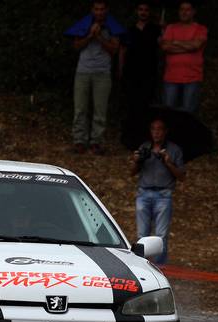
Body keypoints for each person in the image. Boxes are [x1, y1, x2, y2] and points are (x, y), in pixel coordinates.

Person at [67, 0, 123, 155]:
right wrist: (90, 35)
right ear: (92, 10)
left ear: (106, 10)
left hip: (102, 73)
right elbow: (76, 46)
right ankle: (79, 141)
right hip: (83, 72)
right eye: (96, 9)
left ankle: (96, 142)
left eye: (102, 9)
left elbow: (114, 49)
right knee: (80, 109)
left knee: (100, 110)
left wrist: (99, 37)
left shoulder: (112, 26)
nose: (99, 12)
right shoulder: (84, 25)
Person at [129, 119, 186, 265]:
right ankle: (141, 265)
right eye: (153, 129)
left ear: (165, 131)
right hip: (143, 193)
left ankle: (160, 266)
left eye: (159, 129)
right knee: (142, 234)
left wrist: (168, 162)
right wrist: (136, 160)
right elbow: (131, 172)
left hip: (163, 195)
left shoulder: (174, 150)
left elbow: (182, 176)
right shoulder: (144, 147)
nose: (156, 132)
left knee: (161, 235)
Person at [161, 1, 207, 114]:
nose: (184, 12)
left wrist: (175, 42)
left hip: (192, 78)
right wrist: (188, 46)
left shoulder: (201, 28)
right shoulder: (171, 27)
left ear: (193, 12)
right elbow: (165, 47)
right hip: (171, 77)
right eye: (182, 9)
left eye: (187, 9)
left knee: (188, 114)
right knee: (168, 113)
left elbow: (195, 45)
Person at [120, 2, 162, 114]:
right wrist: (120, 69)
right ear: (137, 11)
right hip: (131, 72)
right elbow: (123, 50)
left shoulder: (156, 29)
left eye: (146, 10)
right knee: (131, 103)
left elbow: (163, 46)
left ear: (149, 12)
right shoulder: (129, 30)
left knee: (147, 103)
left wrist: (164, 30)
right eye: (141, 9)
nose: (143, 12)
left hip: (149, 73)